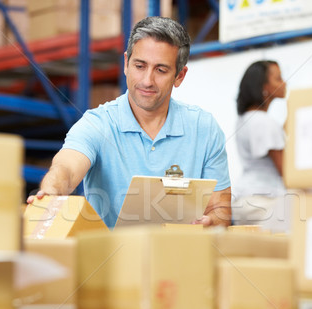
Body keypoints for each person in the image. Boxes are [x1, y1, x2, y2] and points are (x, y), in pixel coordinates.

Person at [27, 16, 231, 229]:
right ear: (126, 63)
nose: (147, 81)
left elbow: (220, 209)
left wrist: (212, 222)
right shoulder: (97, 124)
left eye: (161, 70)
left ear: (180, 76)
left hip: (179, 256)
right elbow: (66, 169)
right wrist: (51, 193)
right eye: (140, 66)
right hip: (112, 259)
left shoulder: (204, 128)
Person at [231, 60, 289, 232]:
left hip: (245, 201)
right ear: (263, 87)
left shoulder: (246, 119)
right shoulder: (264, 122)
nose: (284, 83)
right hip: (263, 203)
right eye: (278, 79)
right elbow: (286, 172)